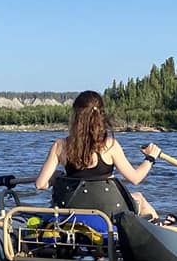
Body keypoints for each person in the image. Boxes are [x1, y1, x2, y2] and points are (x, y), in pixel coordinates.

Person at [35, 90, 162, 220]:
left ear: (76, 116)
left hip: (72, 210)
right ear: (100, 115)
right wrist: (150, 158)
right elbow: (135, 178)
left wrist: (57, 176)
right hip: (108, 212)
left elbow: (40, 184)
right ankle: (163, 231)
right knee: (139, 198)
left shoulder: (60, 146)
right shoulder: (110, 145)